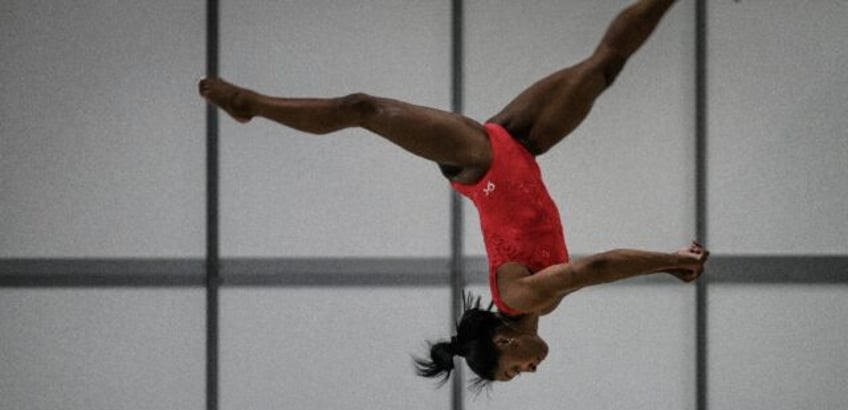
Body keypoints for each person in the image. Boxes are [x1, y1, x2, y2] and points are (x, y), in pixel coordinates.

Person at [199, 0, 708, 389]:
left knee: (363, 108)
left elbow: (593, 269)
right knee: (603, 65)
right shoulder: (540, 304)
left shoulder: (521, 297)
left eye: (513, 371)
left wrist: (669, 261)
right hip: (521, 149)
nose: (528, 370)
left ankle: (252, 105)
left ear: (504, 341)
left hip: (480, 162)